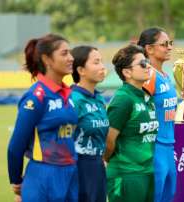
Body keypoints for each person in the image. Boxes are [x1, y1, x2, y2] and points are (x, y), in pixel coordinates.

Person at [7, 34, 78, 202]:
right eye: (64, 53)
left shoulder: (68, 94)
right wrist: (16, 181)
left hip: (70, 173)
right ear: (47, 59)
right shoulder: (36, 97)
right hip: (43, 175)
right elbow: (16, 146)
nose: (71, 58)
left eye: (70, 53)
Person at [104, 44, 158, 202]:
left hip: (147, 172)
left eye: (147, 62)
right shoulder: (123, 99)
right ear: (127, 72)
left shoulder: (146, 97)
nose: (148, 66)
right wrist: (114, 161)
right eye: (142, 64)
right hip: (126, 175)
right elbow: (109, 139)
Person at [137, 27, 177, 202]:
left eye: (170, 43)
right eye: (164, 44)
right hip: (155, 147)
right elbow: (138, 109)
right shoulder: (148, 75)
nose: (169, 47)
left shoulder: (165, 76)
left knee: (169, 196)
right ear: (149, 49)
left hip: (169, 147)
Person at [70, 46, 109, 202]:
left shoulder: (99, 99)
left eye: (101, 62)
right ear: (81, 70)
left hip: (97, 166)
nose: (102, 67)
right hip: (78, 167)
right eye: (96, 62)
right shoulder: (73, 99)